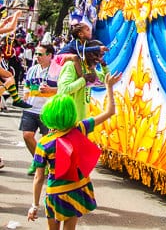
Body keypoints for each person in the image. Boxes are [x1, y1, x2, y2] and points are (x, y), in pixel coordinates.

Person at [27, 71, 123, 228]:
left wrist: (35, 205)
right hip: (76, 189)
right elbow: (110, 112)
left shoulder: (44, 143)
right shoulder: (80, 128)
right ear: (71, 112)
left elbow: (38, 178)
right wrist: (109, 87)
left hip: (55, 194)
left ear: (49, 115)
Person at [20, 43, 59, 175]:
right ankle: (37, 161)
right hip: (30, 108)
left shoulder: (57, 71)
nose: (37, 56)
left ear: (49, 56)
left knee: (46, 140)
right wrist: (25, 93)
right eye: (36, 54)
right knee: (27, 135)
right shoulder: (32, 69)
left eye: (40, 54)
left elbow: (63, 89)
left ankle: (45, 164)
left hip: (46, 110)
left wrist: (50, 90)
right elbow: (26, 84)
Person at [57, 42, 109, 121]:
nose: (100, 59)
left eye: (102, 56)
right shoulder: (71, 65)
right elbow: (64, 90)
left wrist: (103, 65)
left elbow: (107, 81)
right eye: (100, 56)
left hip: (81, 121)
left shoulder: (88, 68)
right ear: (90, 55)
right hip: (66, 120)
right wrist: (84, 80)